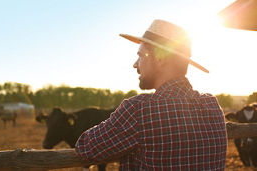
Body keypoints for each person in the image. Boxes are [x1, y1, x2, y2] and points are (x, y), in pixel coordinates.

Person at [75, 19, 227, 170]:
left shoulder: (140, 110)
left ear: (160, 58)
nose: (135, 64)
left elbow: (86, 148)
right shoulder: (212, 106)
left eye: (140, 55)